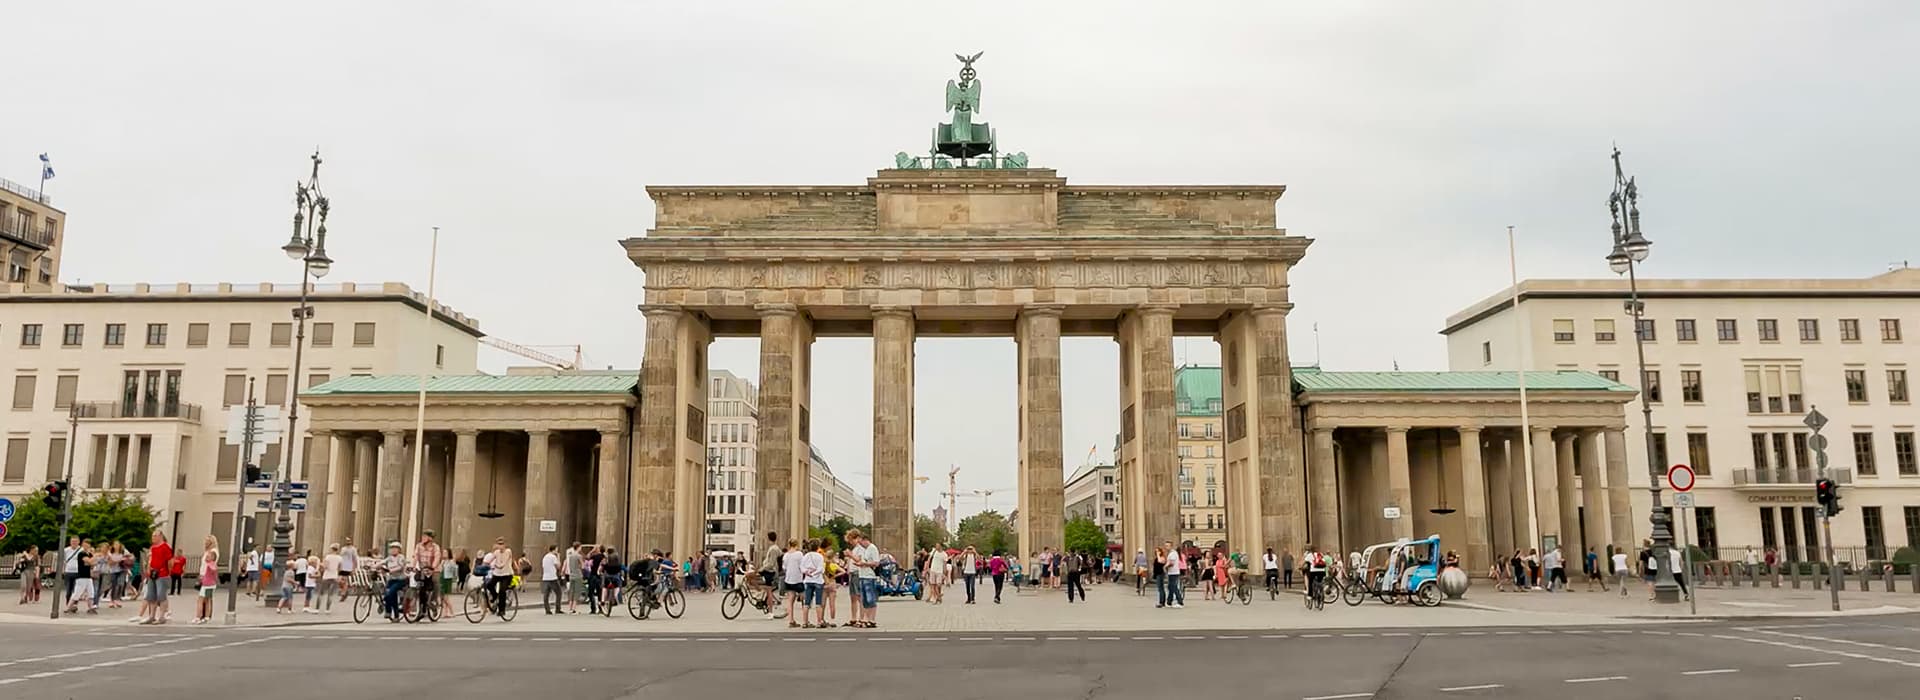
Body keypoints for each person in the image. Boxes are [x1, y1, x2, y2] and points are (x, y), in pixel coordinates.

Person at [134, 531, 172, 625]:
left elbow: (170, 561)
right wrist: (148, 570)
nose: (153, 537)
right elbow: (150, 560)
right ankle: (152, 616)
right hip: (152, 574)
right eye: (152, 536)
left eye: (155, 536)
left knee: (161, 595)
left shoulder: (165, 547)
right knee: (151, 596)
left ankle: (162, 616)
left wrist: (168, 572)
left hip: (162, 574)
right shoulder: (153, 548)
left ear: (160, 536)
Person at [848, 529, 883, 626]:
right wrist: (859, 564)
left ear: (865, 540)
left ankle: (872, 619)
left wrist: (864, 564)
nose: (860, 544)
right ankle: (867, 619)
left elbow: (876, 562)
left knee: (870, 598)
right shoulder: (866, 549)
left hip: (869, 576)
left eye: (861, 541)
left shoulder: (872, 548)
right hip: (862, 575)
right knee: (865, 599)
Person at [482, 538, 516, 619]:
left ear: (505, 545)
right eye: (499, 544)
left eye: (502, 544)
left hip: (507, 574)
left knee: (502, 590)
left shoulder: (508, 551)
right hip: (497, 574)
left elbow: (504, 563)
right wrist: (484, 564)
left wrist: (499, 566)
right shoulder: (496, 552)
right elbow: (490, 559)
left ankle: (502, 610)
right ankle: (494, 596)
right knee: (489, 585)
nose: (500, 546)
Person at [801, 538, 826, 628]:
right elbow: (821, 569)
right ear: (818, 547)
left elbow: (802, 567)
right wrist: (814, 573)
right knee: (818, 602)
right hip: (818, 580)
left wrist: (808, 572)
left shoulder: (806, 556)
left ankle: (805, 622)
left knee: (806, 602)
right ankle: (819, 621)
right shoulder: (820, 556)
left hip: (808, 580)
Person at [194, 535, 220, 624]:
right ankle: (206, 616)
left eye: (207, 541)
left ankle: (200, 616)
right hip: (206, 576)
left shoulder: (212, 552)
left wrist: (203, 575)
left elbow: (208, 563)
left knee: (203, 598)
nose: (205, 542)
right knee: (207, 598)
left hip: (207, 578)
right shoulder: (208, 551)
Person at [379, 542, 408, 622]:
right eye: (391, 548)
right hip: (391, 579)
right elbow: (382, 562)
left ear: (399, 550)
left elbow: (400, 567)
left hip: (401, 580)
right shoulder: (389, 558)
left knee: (391, 592)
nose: (393, 550)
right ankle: (390, 612)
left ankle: (392, 612)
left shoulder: (401, 557)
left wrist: (391, 570)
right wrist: (372, 566)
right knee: (388, 594)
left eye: (395, 548)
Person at [66, 543, 97, 615]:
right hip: (81, 576)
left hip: (88, 576)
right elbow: (89, 561)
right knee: (77, 593)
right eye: (85, 545)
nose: (86, 547)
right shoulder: (81, 554)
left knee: (91, 592)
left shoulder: (89, 554)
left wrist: (91, 560)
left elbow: (93, 563)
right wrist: (94, 557)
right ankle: (68, 607)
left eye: (88, 545)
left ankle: (90, 608)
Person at [781, 538, 805, 627]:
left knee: (790, 601)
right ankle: (805, 620)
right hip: (798, 579)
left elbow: (784, 567)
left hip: (788, 579)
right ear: (796, 545)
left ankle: (791, 620)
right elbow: (802, 566)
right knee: (804, 599)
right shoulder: (799, 554)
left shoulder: (786, 555)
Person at [1161, 541, 1185, 608]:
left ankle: (1180, 602)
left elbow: (1171, 563)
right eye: (1165, 546)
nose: (1166, 547)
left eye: (1167, 546)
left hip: (1174, 572)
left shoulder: (1173, 554)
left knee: (1174, 587)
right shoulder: (1171, 553)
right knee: (1170, 587)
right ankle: (1169, 602)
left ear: (1171, 546)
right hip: (1171, 572)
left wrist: (1165, 567)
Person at [541, 545, 563, 614]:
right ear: (554, 550)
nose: (557, 551)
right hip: (552, 577)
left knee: (546, 594)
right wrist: (558, 557)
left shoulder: (545, 557)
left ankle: (547, 610)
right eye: (556, 549)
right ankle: (558, 609)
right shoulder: (553, 557)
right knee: (559, 593)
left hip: (545, 577)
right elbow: (558, 566)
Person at [564, 542, 584, 613]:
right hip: (578, 575)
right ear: (578, 547)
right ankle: (574, 608)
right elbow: (582, 566)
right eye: (580, 547)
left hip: (571, 575)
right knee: (577, 592)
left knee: (571, 591)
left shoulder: (570, 556)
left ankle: (570, 608)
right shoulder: (579, 556)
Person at [337, 536, 358, 602]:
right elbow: (340, 558)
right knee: (339, 580)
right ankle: (345, 591)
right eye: (347, 540)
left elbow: (354, 559)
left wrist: (354, 568)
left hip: (348, 566)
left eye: (349, 540)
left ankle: (343, 594)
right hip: (342, 566)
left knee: (345, 580)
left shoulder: (353, 549)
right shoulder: (343, 549)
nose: (348, 542)